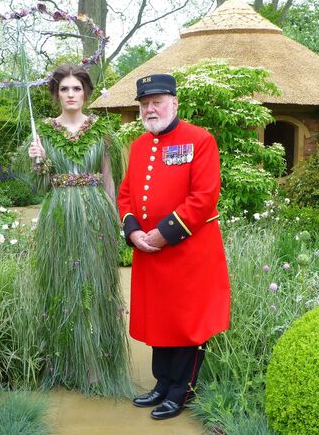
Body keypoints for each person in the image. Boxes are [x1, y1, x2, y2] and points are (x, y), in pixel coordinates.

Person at [117, 73, 230, 419]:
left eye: (157, 102)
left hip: (188, 253)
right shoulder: (137, 146)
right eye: (145, 104)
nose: (150, 109)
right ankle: (163, 384)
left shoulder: (200, 140)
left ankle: (181, 392)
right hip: (150, 253)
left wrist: (163, 233)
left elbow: (204, 198)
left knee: (187, 324)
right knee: (159, 321)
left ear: (174, 103)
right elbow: (126, 196)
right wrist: (133, 231)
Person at [24, 64, 132, 397]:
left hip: (95, 213)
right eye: (64, 89)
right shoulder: (42, 133)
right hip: (59, 214)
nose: (71, 95)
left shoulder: (102, 132)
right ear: (56, 94)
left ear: (85, 92)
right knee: (62, 284)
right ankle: (64, 363)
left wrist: (115, 220)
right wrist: (38, 162)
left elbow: (110, 179)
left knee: (95, 285)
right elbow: (40, 186)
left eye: (77, 89)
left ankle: (97, 365)